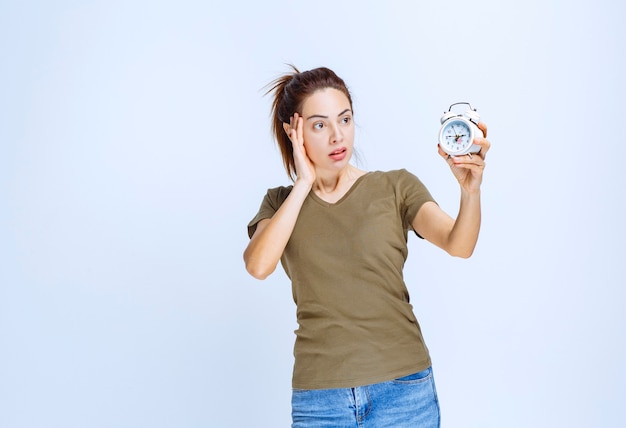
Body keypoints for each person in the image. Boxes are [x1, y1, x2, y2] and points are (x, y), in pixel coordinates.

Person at [243, 65, 490, 428]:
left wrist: (470, 191)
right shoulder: (280, 204)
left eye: (344, 119)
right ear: (293, 132)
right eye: (319, 125)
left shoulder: (396, 187)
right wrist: (303, 184)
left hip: (404, 393)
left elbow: (459, 244)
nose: (337, 136)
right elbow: (258, 266)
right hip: (320, 400)